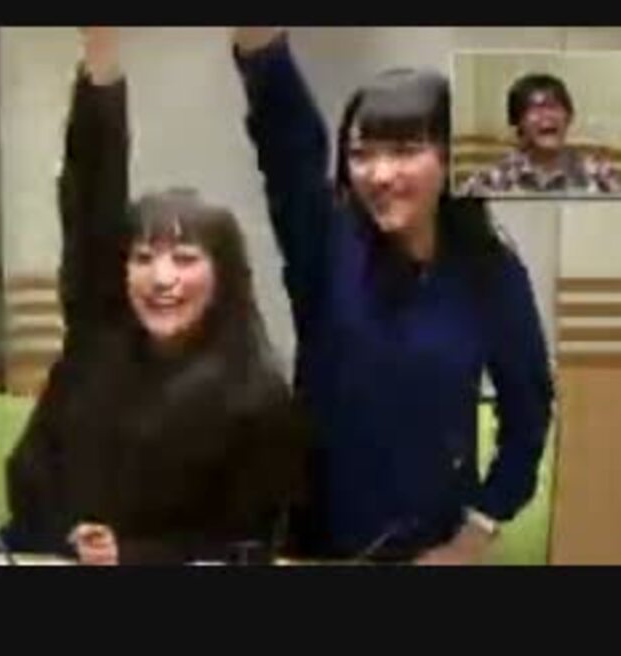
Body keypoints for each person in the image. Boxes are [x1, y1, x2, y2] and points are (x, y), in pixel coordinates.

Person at [231, 28, 554, 565]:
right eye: (361, 154)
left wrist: (472, 537)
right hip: (310, 544)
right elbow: (287, 140)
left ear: (451, 158)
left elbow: (528, 415)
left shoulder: (491, 275)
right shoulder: (325, 244)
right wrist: (261, 47)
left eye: (405, 151)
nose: (380, 174)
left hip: (426, 546)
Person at [3, 27, 307, 566]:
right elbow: (90, 202)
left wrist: (131, 555)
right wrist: (101, 60)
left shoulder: (256, 397)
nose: (161, 278)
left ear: (224, 276)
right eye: (144, 258)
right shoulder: (97, 343)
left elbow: (248, 546)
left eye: (185, 259)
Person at [459, 72, 620, 196]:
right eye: (535, 109)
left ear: (569, 117)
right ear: (518, 121)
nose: (546, 116)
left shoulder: (598, 175)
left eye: (553, 106)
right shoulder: (494, 179)